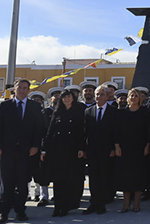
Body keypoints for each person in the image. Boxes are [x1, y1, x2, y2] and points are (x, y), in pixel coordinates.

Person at [0, 79, 46, 224]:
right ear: (14, 89)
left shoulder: (35, 106)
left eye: (25, 88)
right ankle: (3, 212)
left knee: (22, 183)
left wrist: (36, 146)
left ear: (28, 90)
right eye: (19, 87)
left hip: (26, 152)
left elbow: (39, 129)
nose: (22, 90)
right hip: (7, 151)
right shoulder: (5, 106)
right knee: (6, 183)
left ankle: (20, 211)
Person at [41, 89, 86, 217]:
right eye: (64, 97)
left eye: (69, 97)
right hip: (57, 150)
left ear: (73, 98)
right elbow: (50, 132)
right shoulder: (57, 112)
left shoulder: (78, 112)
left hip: (72, 151)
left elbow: (81, 132)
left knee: (69, 180)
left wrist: (81, 148)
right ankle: (57, 206)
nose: (67, 99)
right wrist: (44, 149)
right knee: (58, 180)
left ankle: (66, 206)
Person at [113, 88, 150, 213]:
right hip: (125, 149)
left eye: (136, 96)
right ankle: (126, 204)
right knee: (126, 177)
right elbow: (116, 131)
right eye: (131, 95)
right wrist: (117, 146)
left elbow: (148, 131)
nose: (133, 98)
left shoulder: (145, 112)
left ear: (140, 98)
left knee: (138, 176)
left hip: (139, 148)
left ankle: (136, 204)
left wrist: (147, 145)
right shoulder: (121, 113)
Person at [83, 86, 117, 215]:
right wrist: (84, 149)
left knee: (104, 178)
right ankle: (93, 203)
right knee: (93, 178)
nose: (98, 97)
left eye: (102, 94)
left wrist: (114, 147)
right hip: (92, 150)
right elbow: (85, 132)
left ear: (107, 96)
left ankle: (101, 204)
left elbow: (115, 132)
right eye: (97, 94)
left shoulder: (114, 111)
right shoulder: (88, 111)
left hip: (107, 151)